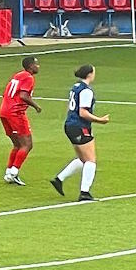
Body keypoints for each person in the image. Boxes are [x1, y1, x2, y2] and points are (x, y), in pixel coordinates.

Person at [50, 65, 110, 202]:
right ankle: (84, 192)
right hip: (79, 126)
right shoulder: (86, 91)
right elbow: (83, 112)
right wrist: (100, 120)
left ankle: (59, 179)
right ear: (89, 74)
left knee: (82, 159)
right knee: (90, 160)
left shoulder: (75, 87)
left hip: (70, 125)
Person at [0, 56, 41, 185]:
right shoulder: (28, 77)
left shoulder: (18, 75)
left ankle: (9, 172)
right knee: (27, 144)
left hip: (4, 111)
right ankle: (13, 173)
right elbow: (23, 95)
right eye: (36, 64)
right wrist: (36, 106)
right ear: (30, 66)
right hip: (15, 113)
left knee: (17, 145)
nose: (38, 66)